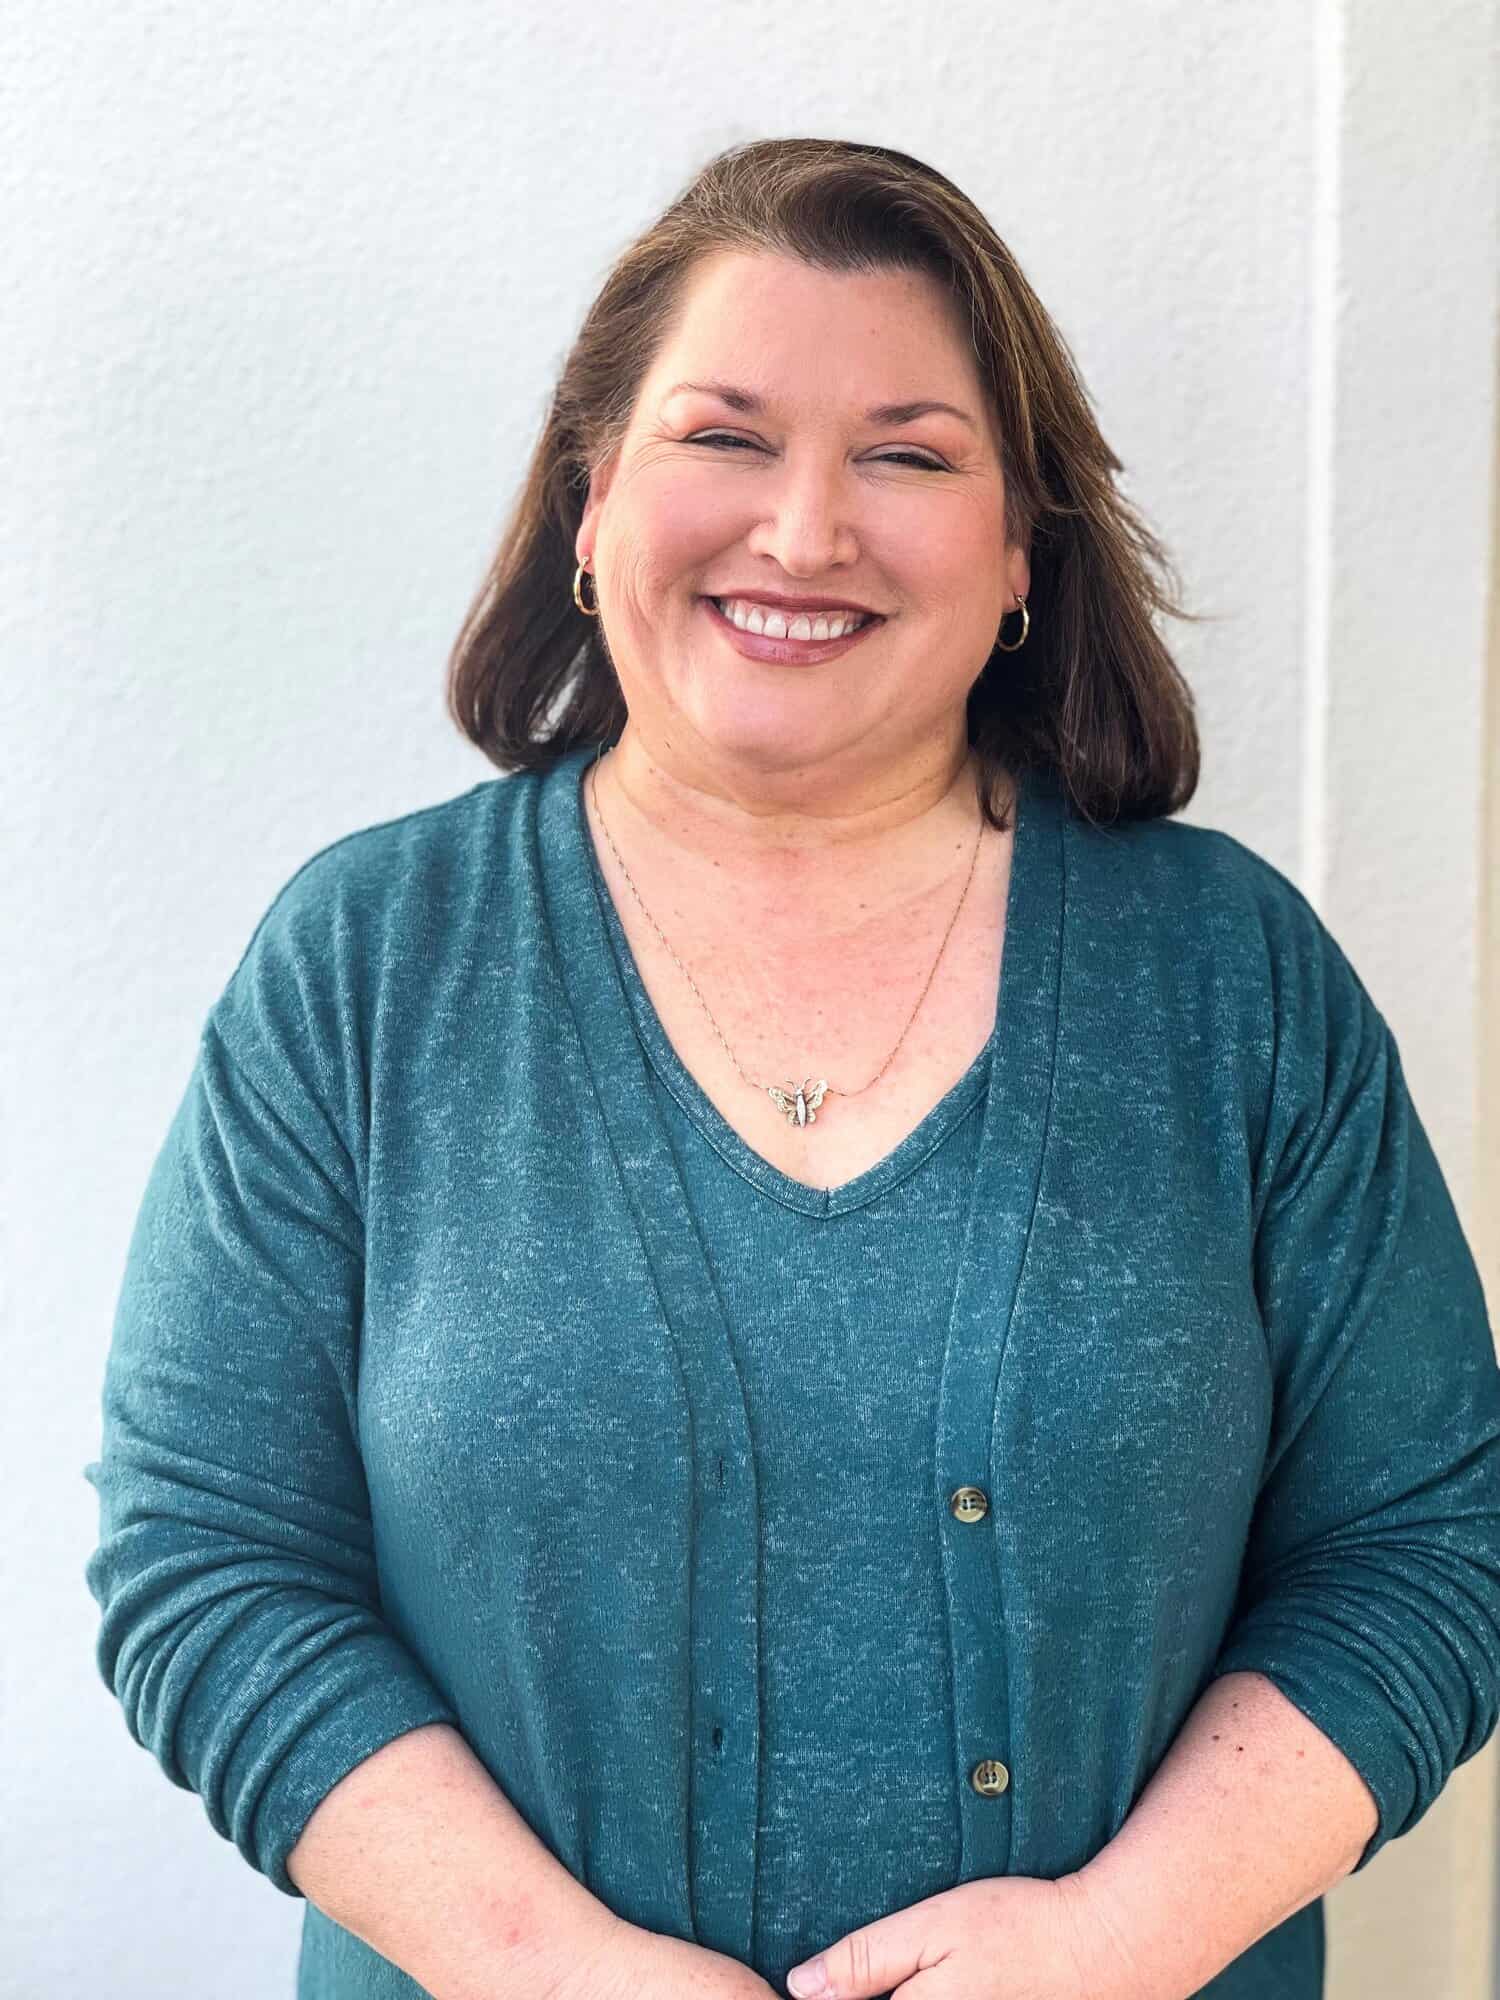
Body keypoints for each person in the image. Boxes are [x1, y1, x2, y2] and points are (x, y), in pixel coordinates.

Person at [82, 136, 1500, 2000]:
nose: (808, 531)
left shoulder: (1228, 980)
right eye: (724, 439)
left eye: (907, 455)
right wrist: (549, 1970)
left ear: (1016, 557)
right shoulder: (368, 968)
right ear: (590, 508)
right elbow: (207, 1566)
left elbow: (1429, 1540)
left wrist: (1122, 1943)